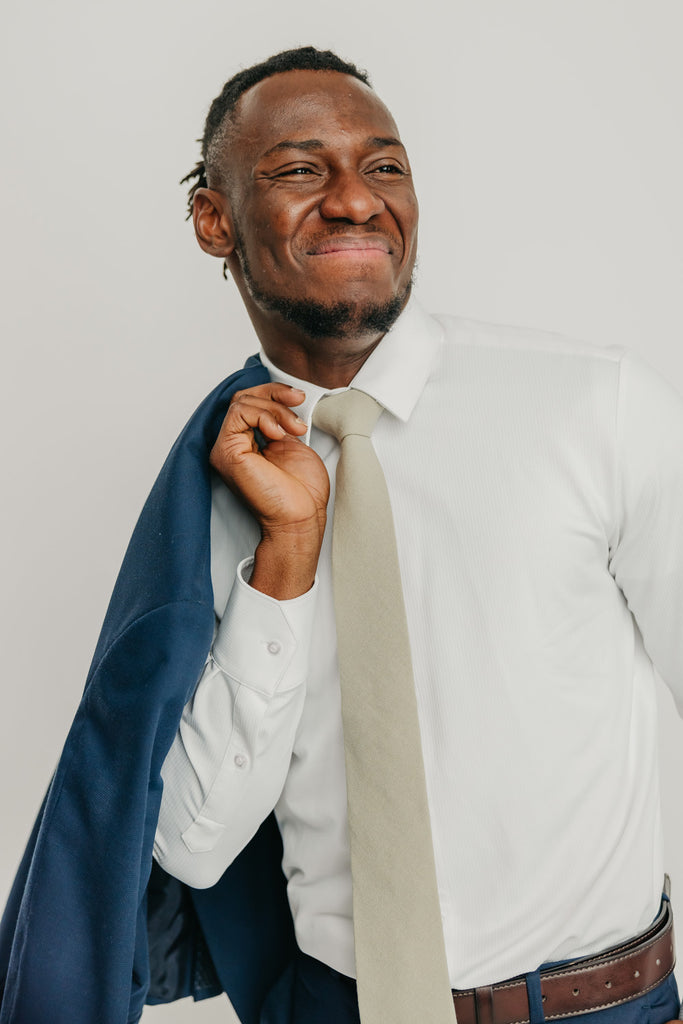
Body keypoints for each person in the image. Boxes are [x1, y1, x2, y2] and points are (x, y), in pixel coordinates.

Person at [1, 44, 683, 1024]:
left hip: (597, 1009)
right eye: (299, 169)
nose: (355, 200)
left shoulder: (597, 407)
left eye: (384, 166)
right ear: (213, 220)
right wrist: (286, 555)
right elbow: (189, 844)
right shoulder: (220, 482)